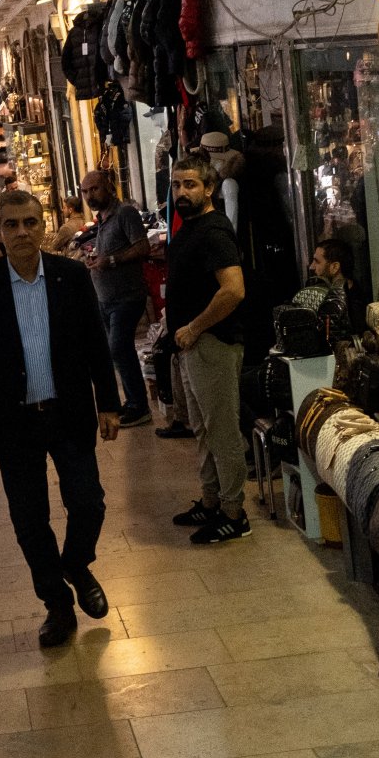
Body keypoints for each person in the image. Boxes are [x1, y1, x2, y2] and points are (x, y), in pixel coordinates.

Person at [0, 191, 120, 648]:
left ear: (44, 225)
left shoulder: (70, 277)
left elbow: (95, 343)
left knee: (88, 502)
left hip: (68, 412)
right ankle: (57, 604)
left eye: (31, 222)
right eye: (12, 224)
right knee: (30, 519)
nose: (23, 232)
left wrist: (109, 402)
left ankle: (76, 562)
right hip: (13, 421)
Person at [165, 157, 250, 544]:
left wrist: (195, 327)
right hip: (192, 345)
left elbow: (233, 290)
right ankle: (212, 500)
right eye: (177, 184)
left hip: (211, 343)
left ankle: (234, 513)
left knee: (222, 430)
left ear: (209, 188)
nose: (182, 192)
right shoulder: (192, 227)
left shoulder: (214, 230)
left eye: (190, 185)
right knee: (202, 428)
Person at [80, 170, 153, 429]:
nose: (90, 195)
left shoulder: (125, 214)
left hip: (127, 296)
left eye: (95, 189)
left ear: (108, 186)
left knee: (119, 348)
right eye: (85, 191)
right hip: (105, 299)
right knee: (118, 353)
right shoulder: (101, 219)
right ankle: (133, 401)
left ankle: (139, 406)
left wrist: (111, 260)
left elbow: (143, 247)